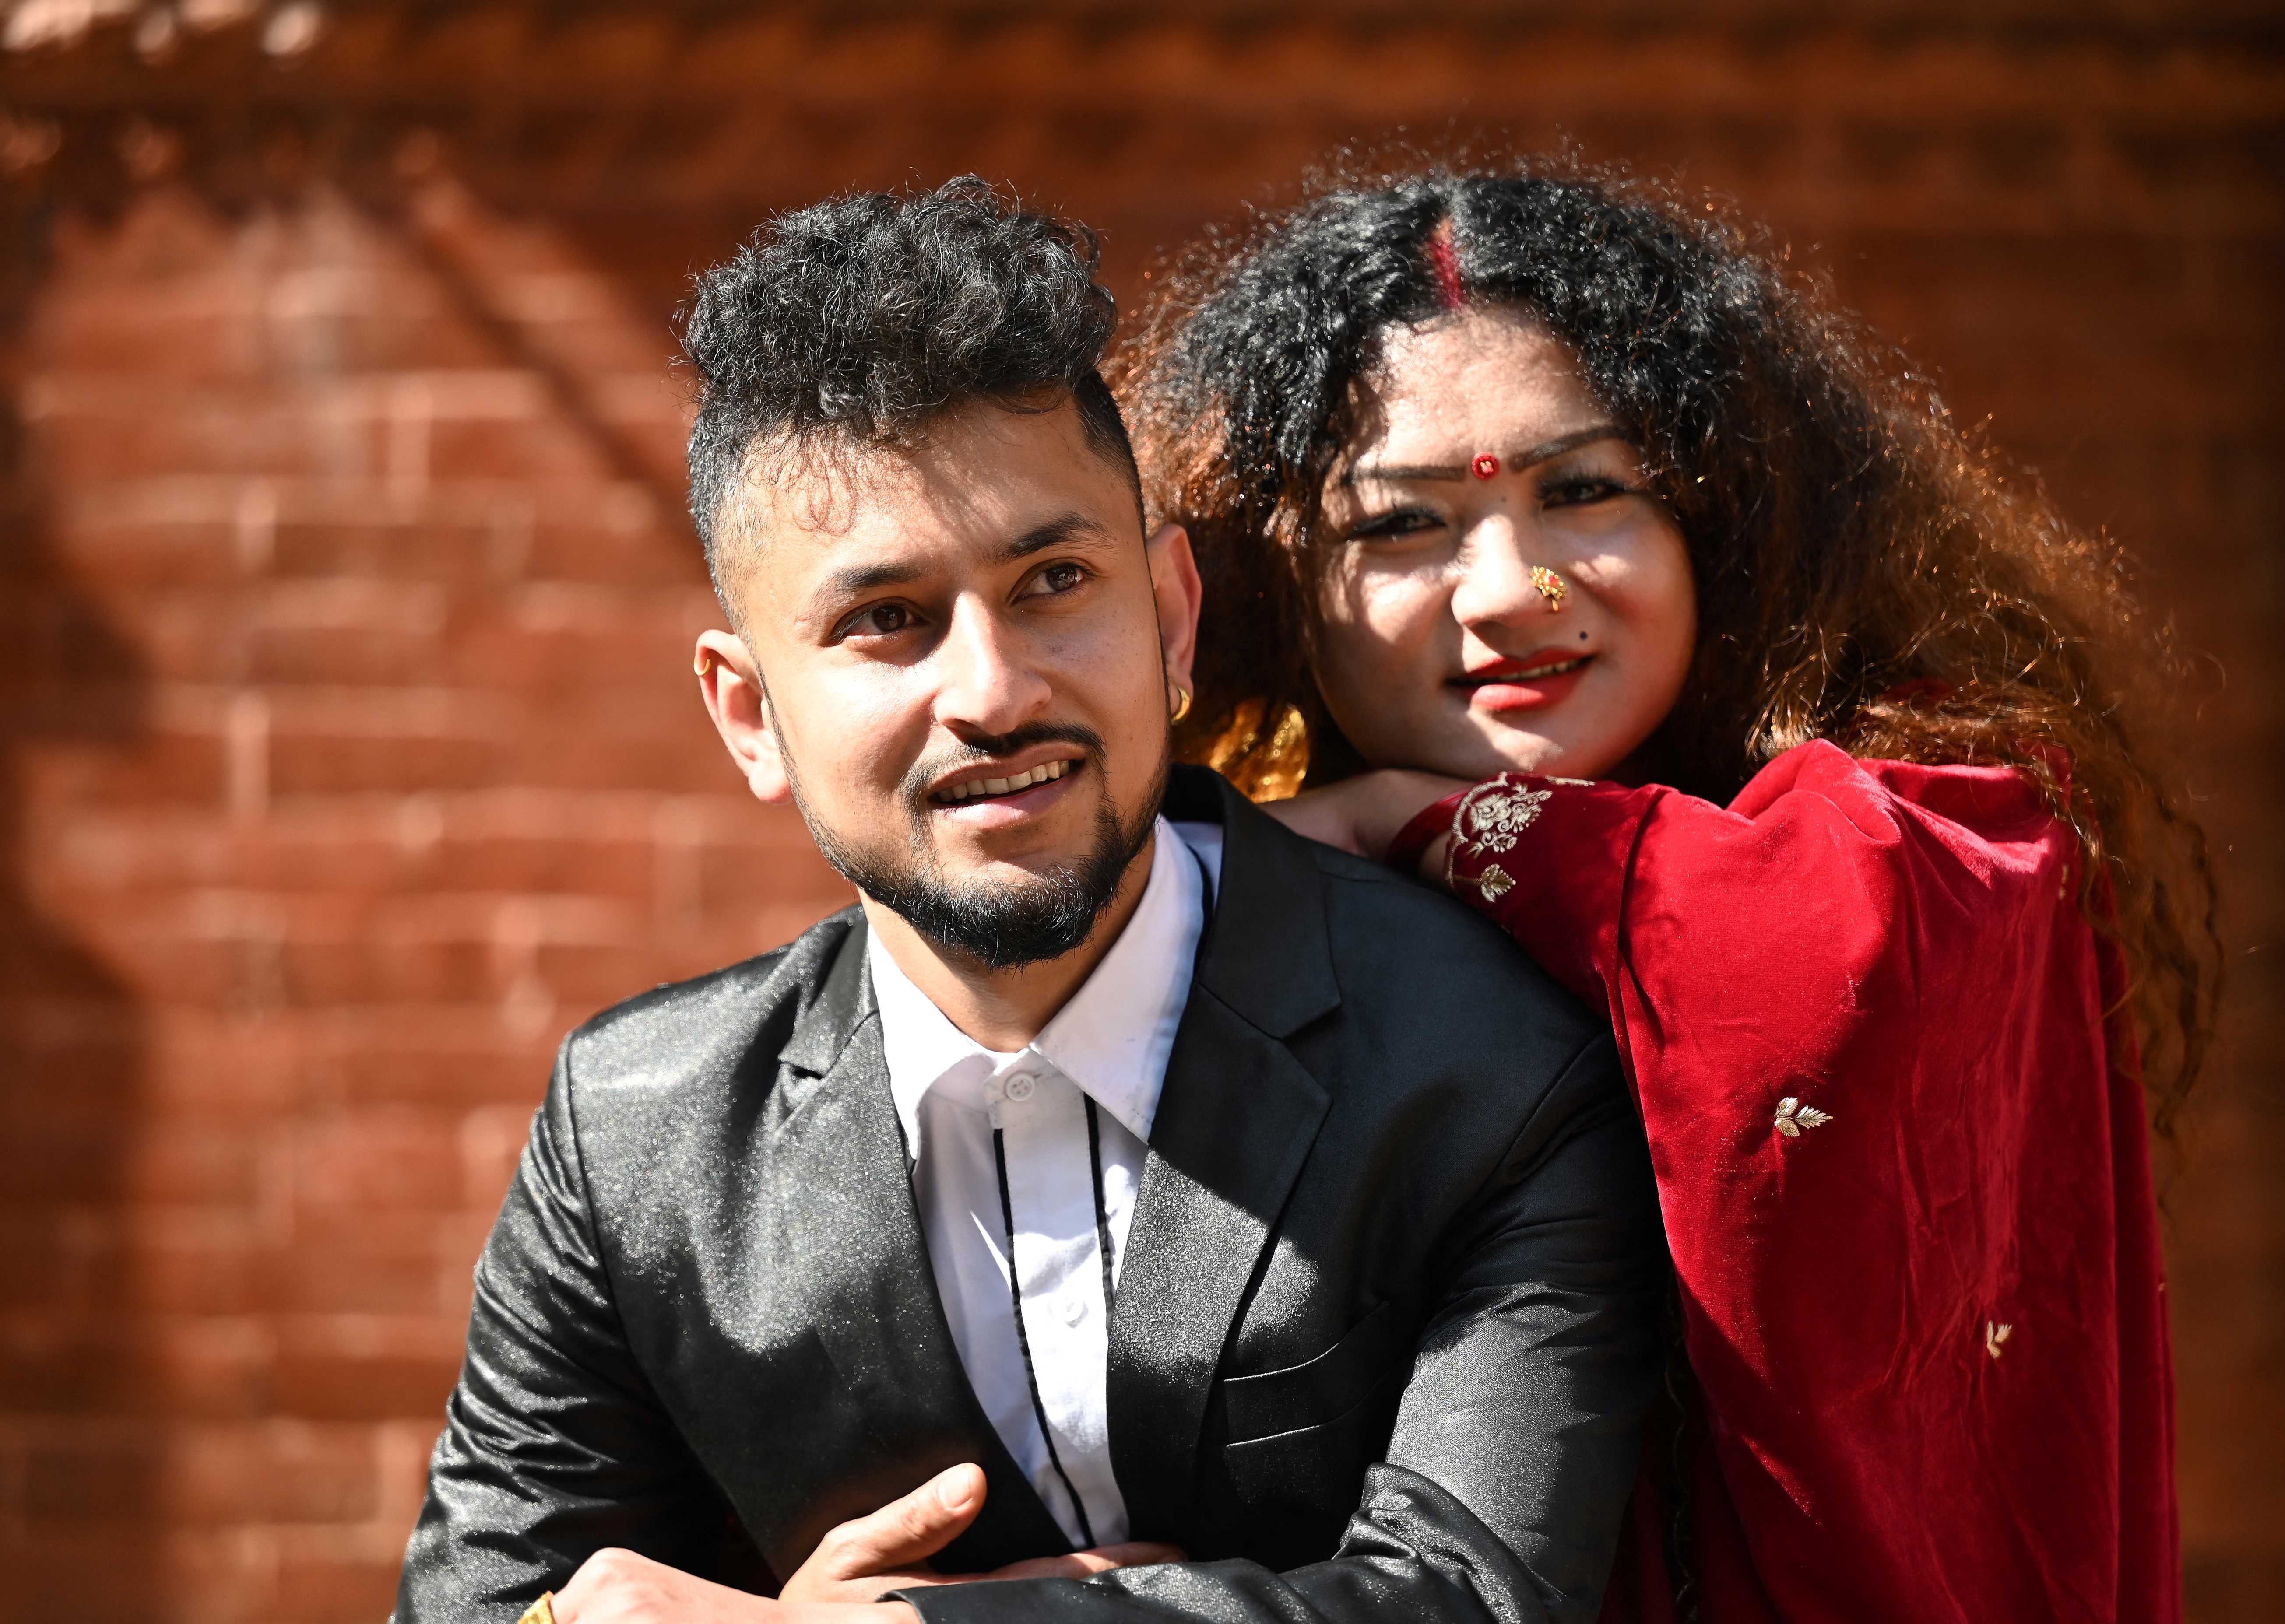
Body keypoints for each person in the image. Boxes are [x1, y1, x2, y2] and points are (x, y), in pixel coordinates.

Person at [392, 179, 1670, 1624]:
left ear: (1173, 618)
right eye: (888, 621)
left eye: (1055, 580)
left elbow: (1475, 1607)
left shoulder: (1490, 1063)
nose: (995, 692)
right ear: (748, 714)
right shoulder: (639, 1139)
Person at [1121, 167, 2218, 1624]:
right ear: (1267, 586)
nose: (1508, 591)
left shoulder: (1960, 820)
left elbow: (1813, 953)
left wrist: (1441, 829)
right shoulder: (1221, 904)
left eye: (1585, 491)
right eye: (1397, 526)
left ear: (1729, 510)